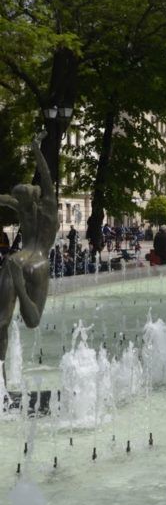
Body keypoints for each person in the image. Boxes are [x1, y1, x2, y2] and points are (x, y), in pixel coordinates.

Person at [0, 132, 58, 365]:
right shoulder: (49, 209)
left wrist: (35, 149)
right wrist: (37, 149)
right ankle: (23, 292)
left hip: (17, 260)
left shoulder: (24, 208)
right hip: (38, 264)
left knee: (2, 320)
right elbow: (46, 177)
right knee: (32, 320)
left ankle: (0, 377)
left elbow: (5, 199)